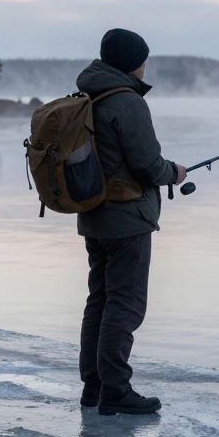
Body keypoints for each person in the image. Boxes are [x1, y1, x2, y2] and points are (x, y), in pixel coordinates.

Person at [75, 28, 187, 416]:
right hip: (127, 219)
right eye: (143, 59)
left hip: (94, 215)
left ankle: (94, 386)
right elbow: (146, 165)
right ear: (132, 63)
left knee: (101, 300)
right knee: (125, 304)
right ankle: (116, 391)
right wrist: (174, 171)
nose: (145, 66)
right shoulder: (126, 100)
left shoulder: (90, 94)